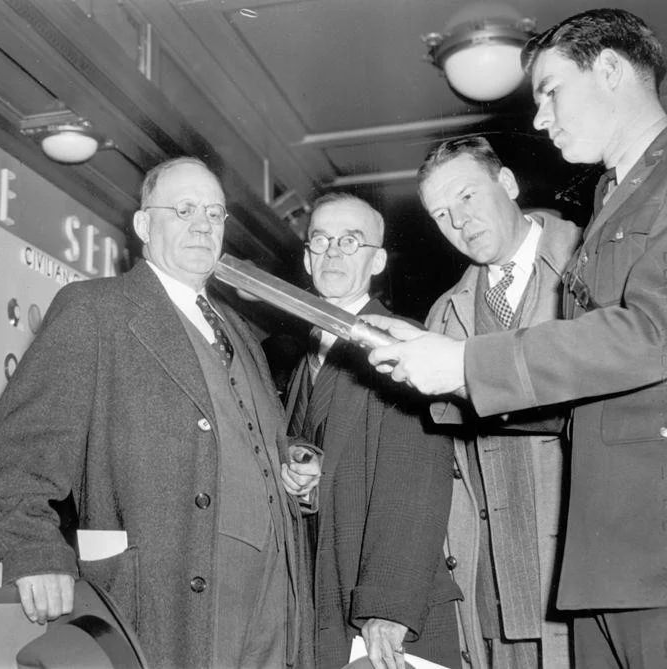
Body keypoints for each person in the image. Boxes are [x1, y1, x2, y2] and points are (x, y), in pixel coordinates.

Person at [365, 9, 667, 668]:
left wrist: (466, 364)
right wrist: (426, 369)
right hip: (591, 566)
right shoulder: (617, 200)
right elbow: (585, 403)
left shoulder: (634, 203)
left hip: (645, 549)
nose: (539, 118)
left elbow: (651, 333)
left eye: (551, 90)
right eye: (441, 215)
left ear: (612, 70)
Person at [0, 156, 319, 669]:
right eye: (183, 209)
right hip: (168, 597)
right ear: (143, 225)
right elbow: (22, 446)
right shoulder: (96, 309)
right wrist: (32, 550)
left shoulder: (242, 334)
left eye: (214, 213)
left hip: (274, 598)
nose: (203, 225)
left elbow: (235, 434)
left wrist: (288, 462)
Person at [416, 136, 579, 669]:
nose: (458, 221)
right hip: (493, 583)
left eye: (466, 196)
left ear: (507, 183)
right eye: (441, 213)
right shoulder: (444, 314)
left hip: (580, 568)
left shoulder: (590, 259)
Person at [283, 192, 462, 669]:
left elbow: (418, 479)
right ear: (306, 257)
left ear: (378, 260)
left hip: (384, 618)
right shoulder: (306, 359)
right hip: (326, 606)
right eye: (321, 240)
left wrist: (388, 607)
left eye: (350, 241)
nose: (333, 252)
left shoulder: (396, 343)